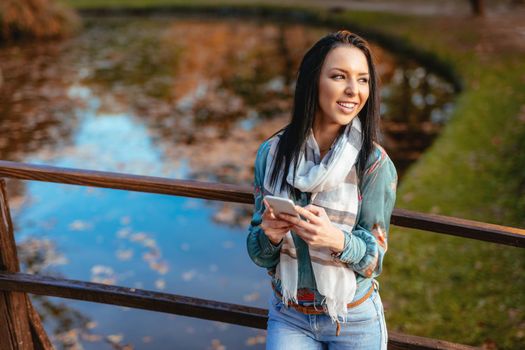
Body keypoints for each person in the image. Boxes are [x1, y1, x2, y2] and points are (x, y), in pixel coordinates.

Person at [246, 30, 397, 349]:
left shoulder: (373, 163)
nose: (353, 91)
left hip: (353, 317)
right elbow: (258, 252)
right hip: (289, 314)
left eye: (363, 80)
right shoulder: (271, 154)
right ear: (313, 81)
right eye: (339, 76)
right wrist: (270, 235)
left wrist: (336, 239)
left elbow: (375, 261)